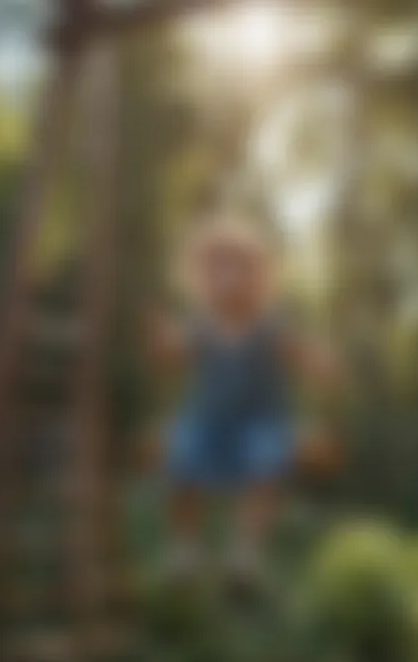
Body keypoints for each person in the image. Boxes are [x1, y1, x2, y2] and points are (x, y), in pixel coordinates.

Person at [142, 211, 339, 589]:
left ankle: (245, 551)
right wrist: (159, 340)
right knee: (178, 461)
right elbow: (173, 358)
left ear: (256, 278)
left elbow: (300, 356)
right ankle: (185, 550)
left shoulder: (269, 326)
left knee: (263, 467)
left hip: (261, 421)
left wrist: (321, 366)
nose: (223, 278)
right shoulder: (200, 326)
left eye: (233, 268)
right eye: (212, 270)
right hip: (207, 421)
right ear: (199, 280)